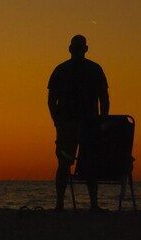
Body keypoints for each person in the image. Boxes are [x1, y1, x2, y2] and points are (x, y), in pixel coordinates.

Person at [47, 35, 110, 212]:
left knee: (64, 164)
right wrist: (102, 121)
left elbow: (51, 101)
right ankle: (93, 204)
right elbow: (104, 99)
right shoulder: (95, 69)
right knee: (90, 163)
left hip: (70, 125)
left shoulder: (61, 70)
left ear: (70, 49)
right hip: (88, 125)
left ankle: (60, 204)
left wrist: (57, 122)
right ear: (86, 49)